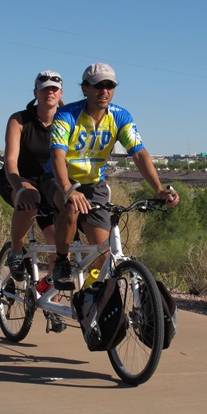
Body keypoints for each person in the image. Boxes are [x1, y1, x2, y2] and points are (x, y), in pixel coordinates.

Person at [41, 62, 179, 290]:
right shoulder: (67, 115)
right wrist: (69, 190)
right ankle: (62, 261)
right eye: (98, 85)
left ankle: (90, 296)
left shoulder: (120, 116)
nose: (104, 91)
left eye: (109, 85)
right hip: (58, 179)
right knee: (70, 208)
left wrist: (159, 190)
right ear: (85, 88)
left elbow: (140, 154)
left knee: (102, 255)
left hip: (94, 185)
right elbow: (57, 157)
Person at [0, 70, 66, 331]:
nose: (50, 92)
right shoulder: (20, 120)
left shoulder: (67, 120)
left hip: (50, 184)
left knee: (60, 241)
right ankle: (16, 250)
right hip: (17, 179)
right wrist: (19, 188)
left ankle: (52, 302)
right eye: (44, 88)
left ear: (60, 94)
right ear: (35, 93)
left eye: (54, 89)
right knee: (30, 199)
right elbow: (10, 161)